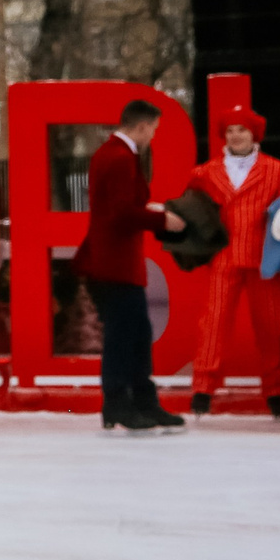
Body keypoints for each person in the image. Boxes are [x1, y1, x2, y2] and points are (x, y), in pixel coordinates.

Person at [182, 104, 280, 422]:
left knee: (270, 326)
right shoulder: (204, 173)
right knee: (213, 325)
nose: (236, 135)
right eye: (230, 130)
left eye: (242, 129)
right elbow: (194, 212)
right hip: (224, 257)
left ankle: (276, 391)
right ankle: (203, 389)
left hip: (265, 259)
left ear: (254, 134)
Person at [70, 99, 187, 433]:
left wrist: (149, 209)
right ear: (142, 126)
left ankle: (134, 402)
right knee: (126, 337)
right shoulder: (121, 158)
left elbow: (116, 207)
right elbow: (121, 214)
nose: (153, 136)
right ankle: (124, 402)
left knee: (134, 334)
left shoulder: (111, 154)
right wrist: (162, 219)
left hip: (113, 262)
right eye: (154, 129)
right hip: (115, 264)